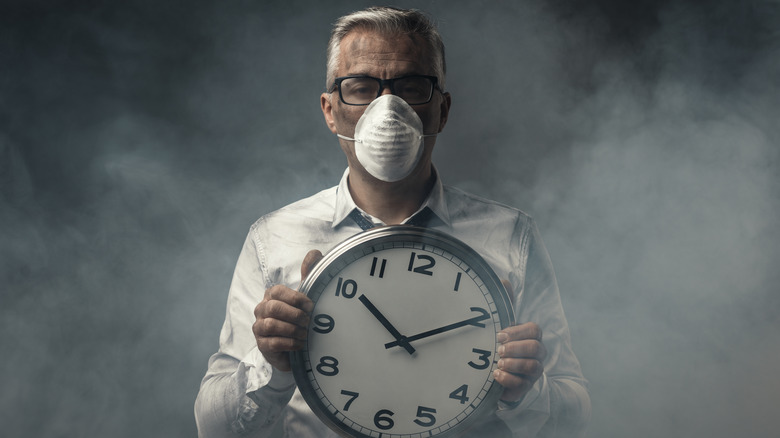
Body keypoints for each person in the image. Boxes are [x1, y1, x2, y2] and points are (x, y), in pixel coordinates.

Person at [195, 6, 590, 437]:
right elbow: (213, 428)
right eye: (361, 87)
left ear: (442, 109)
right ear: (330, 110)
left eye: (412, 87)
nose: (388, 108)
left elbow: (575, 418)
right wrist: (270, 364)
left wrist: (526, 390)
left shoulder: (510, 237)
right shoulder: (274, 239)